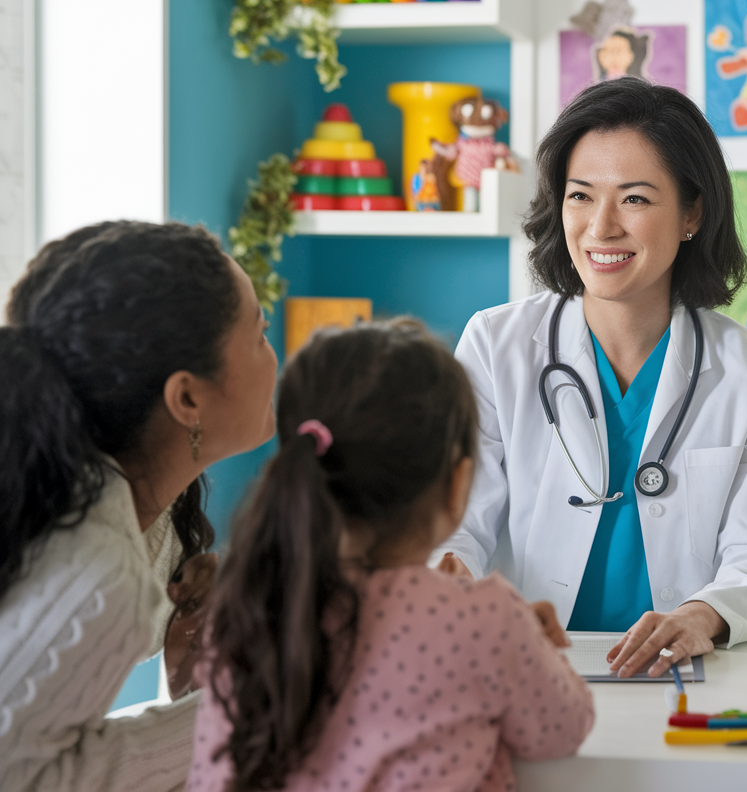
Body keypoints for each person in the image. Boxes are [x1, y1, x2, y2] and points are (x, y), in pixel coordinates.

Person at [434, 76, 747, 678]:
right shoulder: (494, 345)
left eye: (634, 199)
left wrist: (704, 613)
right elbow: (456, 523)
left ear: (692, 213)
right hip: (523, 664)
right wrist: (449, 580)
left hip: (676, 671)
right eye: (580, 196)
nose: (600, 227)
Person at [187, 319, 594, 792]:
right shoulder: (486, 618)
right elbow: (562, 729)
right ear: (459, 483)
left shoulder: (246, 605)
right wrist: (536, 648)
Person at [0, 221, 279, 791]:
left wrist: (196, 680)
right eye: (260, 334)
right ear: (186, 398)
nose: (276, 358)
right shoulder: (97, 567)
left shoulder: (147, 520)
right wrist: (241, 710)